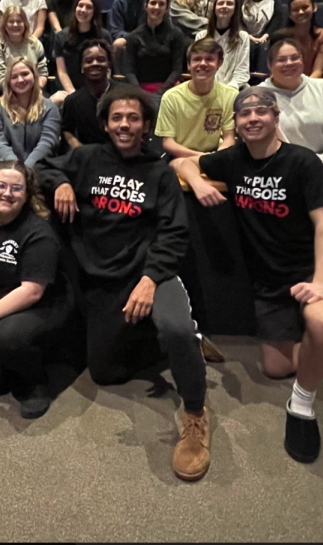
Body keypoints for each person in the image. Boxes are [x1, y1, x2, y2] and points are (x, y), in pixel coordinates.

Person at [36, 86, 211, 482]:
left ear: (147, 125)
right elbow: (45, 167)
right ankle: (169, 344)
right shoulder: (85, 158)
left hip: (148, 271)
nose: (124, 125)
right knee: (103, 372)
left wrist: (150, 279)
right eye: (117, 118)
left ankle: (197, 412)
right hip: (100, 278)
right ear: (105, 123)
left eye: (133, 118)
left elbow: (173, 235)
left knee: (176, 327)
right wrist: (60, 184)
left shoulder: (160, 173)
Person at [171, 87, 323, 463]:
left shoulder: (302, 162)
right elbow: (180, 164)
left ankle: (302, 403)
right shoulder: (233, 160)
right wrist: (200, 182)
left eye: (261, 111)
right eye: (245, 113)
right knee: (274, 367)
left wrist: (322, 280)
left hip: (309, 270)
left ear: (275, 117)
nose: (252, 118)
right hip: (268, 282)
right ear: (237, 122)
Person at [0, 160, 72, 418]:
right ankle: (10, 358)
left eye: (16, 188)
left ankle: (36, 383)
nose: (7, 193)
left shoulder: (37, 232)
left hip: (39, 305)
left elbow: (32, 291)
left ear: (27, 195)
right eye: (0, 185)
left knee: (7, 337)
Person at [257, 37, 323, 173]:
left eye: (294, 58)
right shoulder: (257, 96)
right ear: (269, 65)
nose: (289, 63)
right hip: (278, 168)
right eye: (281, 60)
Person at [154, 38, 238, 158]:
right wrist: (202, 157)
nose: (203, 64)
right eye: (197, 59)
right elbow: (168, 142)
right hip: (180, 156)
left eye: (209, 59)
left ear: (220, 63)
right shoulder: (171, 97)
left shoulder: (231, 95)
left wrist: (215, 157)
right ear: (189, 65)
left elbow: (229, 137)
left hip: (215, 155)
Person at [61, 39, 144, 148]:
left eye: (100, 59)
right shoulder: (73, 101)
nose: (95, 64)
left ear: (109, 64)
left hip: (124, 154)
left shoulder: (128, 94)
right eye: (89, 60)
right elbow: (67, 131)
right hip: (89, 158)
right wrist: (82, 153)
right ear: (81, 66)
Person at [0, 58, 60, 173]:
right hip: (5, 163)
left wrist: (27, 167)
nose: (20, 80)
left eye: (25, 74)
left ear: (34, 76)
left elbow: (48, 142)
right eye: (14, 77)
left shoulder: (49, 107)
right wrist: (16, 167)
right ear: (8, 81)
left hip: (40, 164)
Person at [53, 0, 112, 102]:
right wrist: (73, 94)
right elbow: (62, 72)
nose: (83, 10)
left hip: (97, 90)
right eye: (80, 6)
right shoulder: (60, 37)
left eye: (89, 7)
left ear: (94, 11)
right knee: (56, 101)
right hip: (69, 90)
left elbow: (108, 69)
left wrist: (101, 91)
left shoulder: (104, 36)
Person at [122, 0, 185, 93]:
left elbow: (176, 70)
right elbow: (129, 71)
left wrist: (160, 92)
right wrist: (140, 93)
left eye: (161, 4)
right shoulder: (134, 36)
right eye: (153, 3)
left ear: (166, 8)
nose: (156, 7)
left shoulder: (176, 34)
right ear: (146, 6)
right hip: (140, 89)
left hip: (169, 89)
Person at [194, 0, 250, 90]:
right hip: (209, 89)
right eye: (220, 3)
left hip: (235, 89)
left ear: (235, 9)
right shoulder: (201, 36)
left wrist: (228, 91)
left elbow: (242, 71)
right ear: (214, 8)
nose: (224, 6)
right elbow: (200, 68)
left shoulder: (243, 37)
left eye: (229, 4)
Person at [0, 5, 48, 94]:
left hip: (34, 93)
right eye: (11, 22)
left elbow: (42, 74)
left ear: (25, 24)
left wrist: (36, 89)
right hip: (5, 94)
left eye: (19, 21)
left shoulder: (35, 44)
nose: (15, 25)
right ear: (4, 25)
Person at [280, 0, 323, 78]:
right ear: (289, 14)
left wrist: (304, 88)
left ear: (314, 7)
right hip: (287, 83)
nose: (300, 12)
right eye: (295, 9)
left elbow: (317, 71)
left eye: (305, 7)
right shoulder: (281, 36)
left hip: (311, 84)